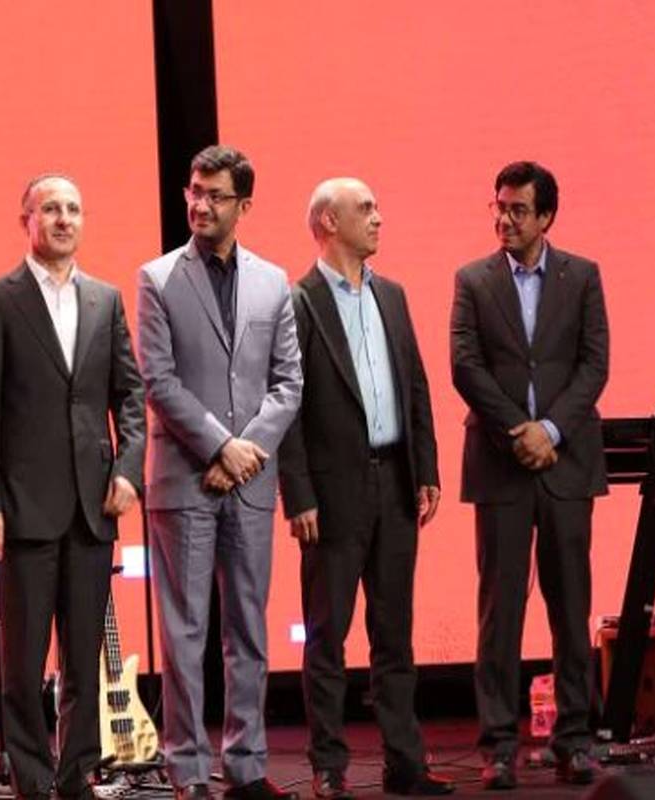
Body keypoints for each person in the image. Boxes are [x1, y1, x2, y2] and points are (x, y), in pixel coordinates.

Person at [0, 174, 146, 800]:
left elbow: (131, 396)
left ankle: (75, 777)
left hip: (93, 508)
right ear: (27, 221)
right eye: (50, 208)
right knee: (22, 662)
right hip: (23, 510)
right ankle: (32, 781)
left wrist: (128, 470)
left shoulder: (106, 299)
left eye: (73, 208)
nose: (64, 218)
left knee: (83, 661)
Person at [278, 178, 453, 798]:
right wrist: (298, 494)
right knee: (328, 637)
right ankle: (329, 766)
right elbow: (287, 408)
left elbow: (415, 385)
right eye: (366, 209)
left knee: (394, 634)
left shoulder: (393, 295)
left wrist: (426, 467)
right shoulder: (298, 302)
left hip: (395, 482)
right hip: (332, 495)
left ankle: (405, 763)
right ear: (329, 222)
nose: (379, 218)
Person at [137, 145, 302, 800]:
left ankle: (246, 765)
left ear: (244, 206)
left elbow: (288, 383)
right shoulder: (157, 278)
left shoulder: (274, 281)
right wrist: (218, 448)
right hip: (185, 477)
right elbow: (159, 380)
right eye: (195, 191)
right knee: (184, 631)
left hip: (251, 480)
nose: (200, 204)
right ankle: (186, 770)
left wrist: (244, 451)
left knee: (249, 628)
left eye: (215, 195)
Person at [450, 161, 609, 790]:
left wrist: (553, 431)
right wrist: (520, 430)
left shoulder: (583, 276)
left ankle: (575, 741)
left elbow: (594, 364)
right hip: (502, 462)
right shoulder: (473, 280)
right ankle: (498, 748)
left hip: (565, 463)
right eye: (499, 207)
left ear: (546, 217)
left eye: (518, 210)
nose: (505, 220)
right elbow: (465, 365)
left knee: (571, 607)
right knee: (500, 609)